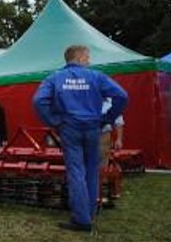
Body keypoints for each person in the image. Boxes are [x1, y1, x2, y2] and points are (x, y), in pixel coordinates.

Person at [33, 45, 128, 232]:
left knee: (76, 171)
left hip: (70, 128)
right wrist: (107, 118)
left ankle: (82, 219)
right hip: (93, 128)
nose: (89, 61)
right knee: (91, 171)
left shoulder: (54, 78)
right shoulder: (96, 76)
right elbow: (122, 96)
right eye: (87, 57)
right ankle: (89, 214)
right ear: (79, 57)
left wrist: (54, 121)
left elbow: (38, 101)